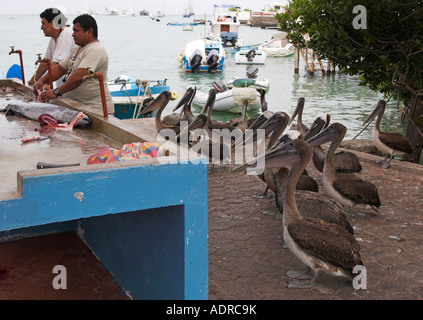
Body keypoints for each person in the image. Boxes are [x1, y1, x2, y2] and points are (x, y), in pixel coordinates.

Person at [33, 14, 114, 115]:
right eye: (73, 31)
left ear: (89, 31)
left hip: (96, 110)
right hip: (78, 108)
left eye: (76, 31)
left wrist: (56, 92)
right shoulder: (77, 50)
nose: (73, 34)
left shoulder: (95, 50)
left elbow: (79, 76)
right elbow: (60, 68)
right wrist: (42, 80)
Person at [28, 8, 77, 88]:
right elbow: (45, 64)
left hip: (71, 89)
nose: (41, 28)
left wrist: (44, 82)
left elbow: (56, 65)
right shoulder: (54, 38)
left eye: (43, 24)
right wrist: (32, 81)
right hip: (63, 88)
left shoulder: (66, 35)